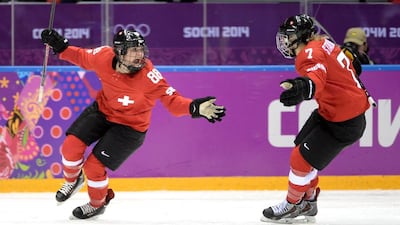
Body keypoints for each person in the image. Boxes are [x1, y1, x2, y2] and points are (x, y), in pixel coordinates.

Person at [40, 28, 226, 219]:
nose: (140, 55)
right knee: (70, 147)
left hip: (130, 128)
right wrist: (60, 45)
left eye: (141, 49)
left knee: (93, 167)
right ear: (119, 52)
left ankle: (97, 203)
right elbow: (81, 57)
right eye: (133, 50)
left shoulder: (149, 76)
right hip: (102, 111)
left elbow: (173, 101)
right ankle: (73, 180)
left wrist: (195, 107)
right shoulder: (103, 56)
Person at [261, 14, 372, 224]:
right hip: (334, 112)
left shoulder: (308, 54)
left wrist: (303, 87)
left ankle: (293, 204)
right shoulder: (324, 43)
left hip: (343, 122)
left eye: (290, 36)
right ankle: (309, 201)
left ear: (302, 36)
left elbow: (316, 79)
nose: (285, 41)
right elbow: (350, 65)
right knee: (300, 149)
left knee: (299, 159)